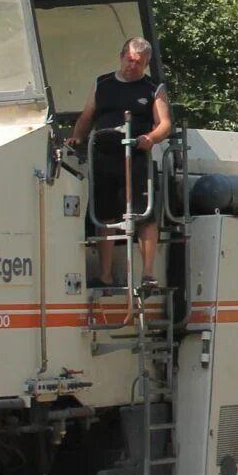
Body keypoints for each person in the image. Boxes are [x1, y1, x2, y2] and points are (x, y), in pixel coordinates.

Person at [69, 37, 171, 291]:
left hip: (136, 156)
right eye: (129, 60)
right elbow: (87, 116)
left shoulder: (152, 88)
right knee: (103, 216)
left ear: (146, 64)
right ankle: (105, 275)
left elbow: (165, 124)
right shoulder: (102, 84)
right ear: (121, 56)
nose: (131, 66)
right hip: (103, 157)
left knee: (143, 214)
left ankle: (148, 275)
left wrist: (151, 138)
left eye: (138, 63)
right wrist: (77, 137)